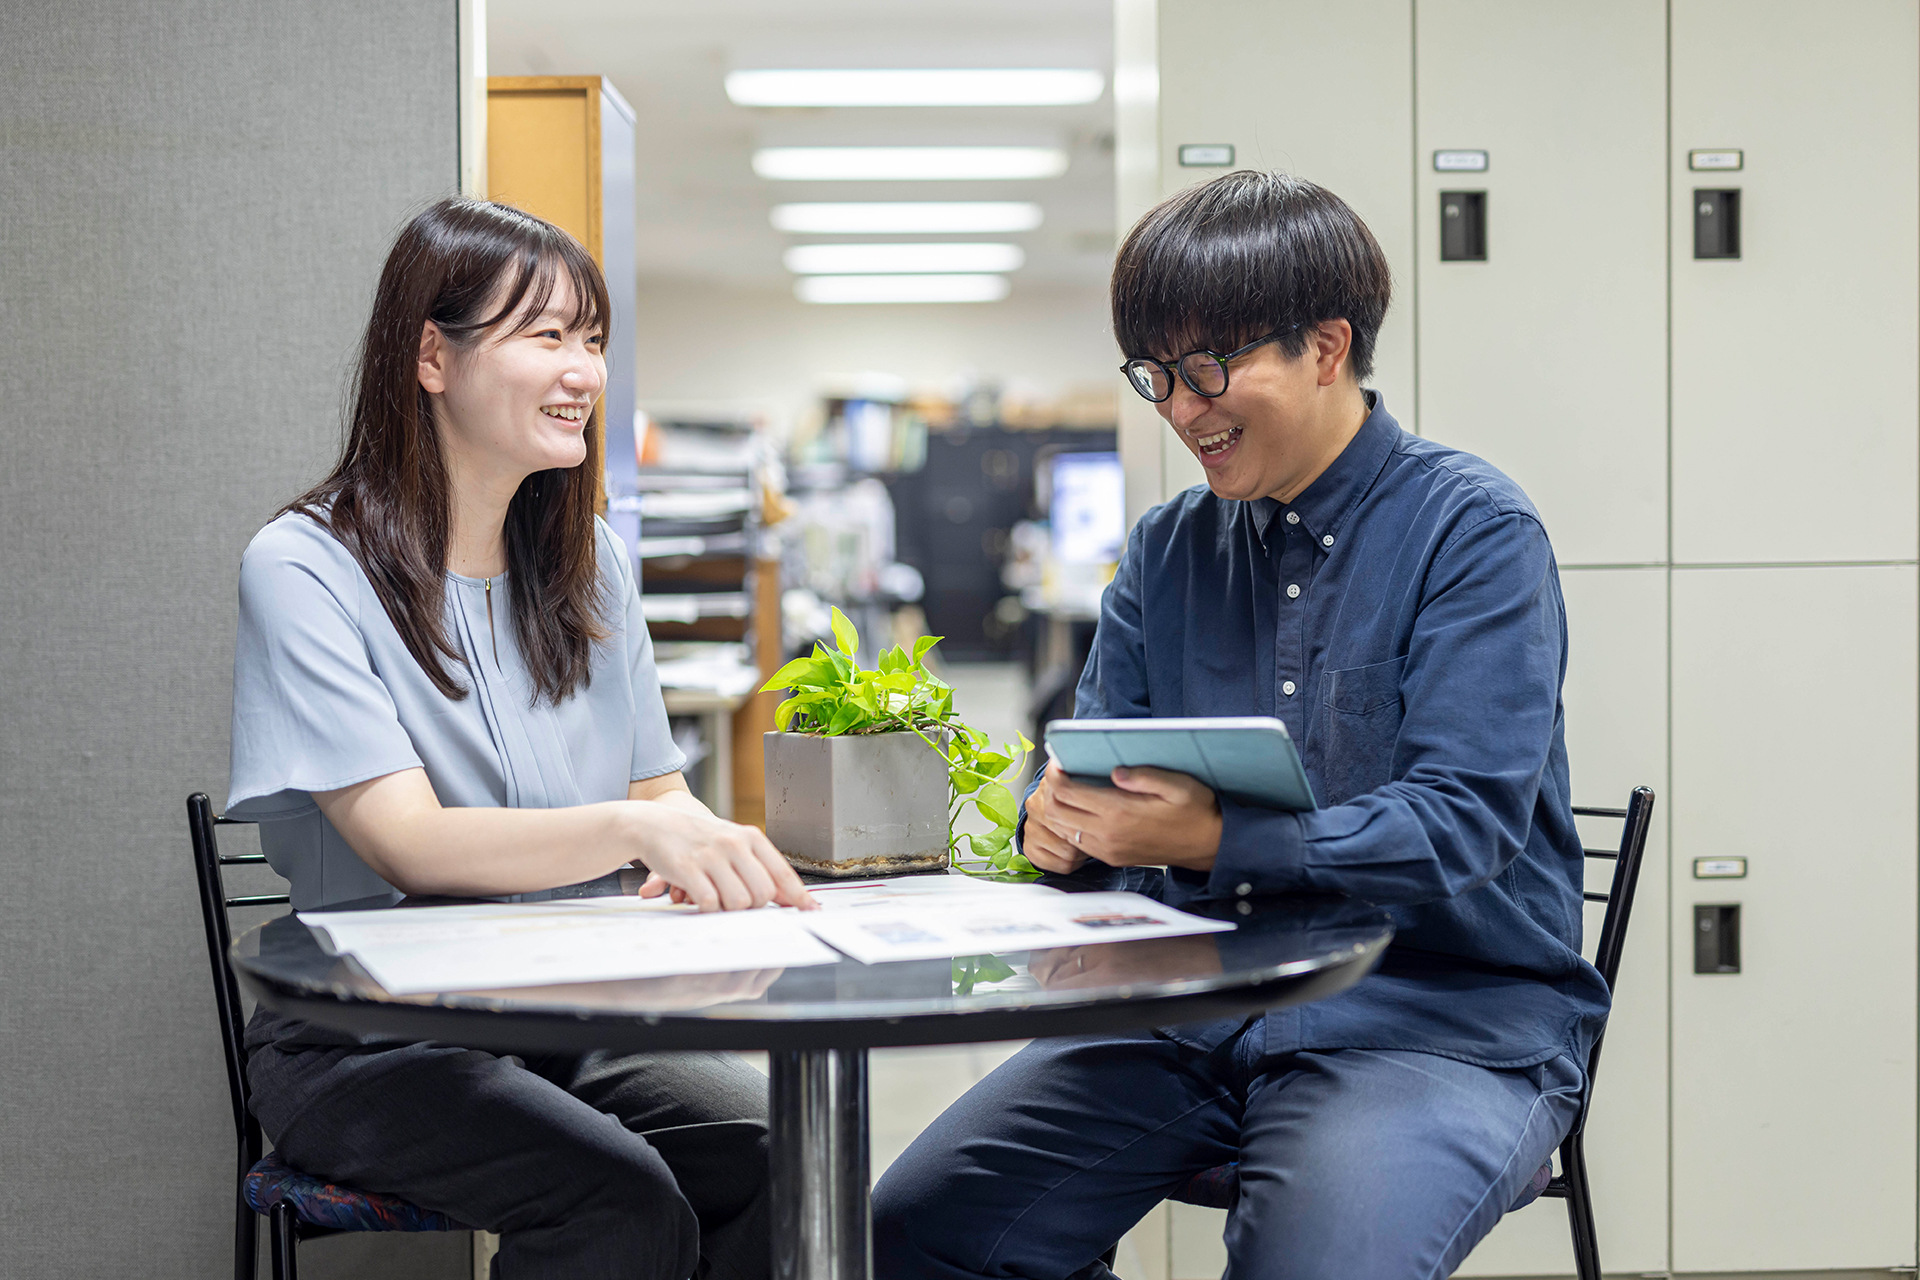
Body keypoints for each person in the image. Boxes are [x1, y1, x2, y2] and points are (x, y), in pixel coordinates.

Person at [871, 171, 1609, 1279]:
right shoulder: (1168, 551)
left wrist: (1214, 838)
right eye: (1155, 375)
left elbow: (1463, 821)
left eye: (1209, 367)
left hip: (1435, 1016)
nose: (1179, 408)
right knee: (922, 1226)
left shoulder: (1473, 532)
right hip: (1193, 1005)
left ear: (1325, 344)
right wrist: (1061, 830)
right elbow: (1096, 791)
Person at [226, 197, 814, 1280]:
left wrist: (733, 855)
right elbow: (410, 843)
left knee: (783, 1157)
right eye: (545, 335)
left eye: (592, 338)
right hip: (368, 1040)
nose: (583, 369)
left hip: (568, 1015)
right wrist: (639, 826)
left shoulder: (591, 560)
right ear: (431, 355)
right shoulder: (305, 564)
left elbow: (661, 794)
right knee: (621, 1205)